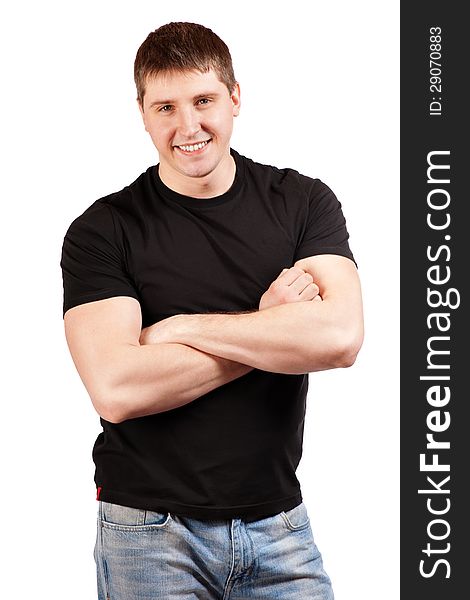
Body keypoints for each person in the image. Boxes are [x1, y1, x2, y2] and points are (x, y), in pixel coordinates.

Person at [61, 21, 363, 600]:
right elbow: (118, 389)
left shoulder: (302, 203)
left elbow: (341, 338)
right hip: (149, 530)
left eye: (203, 101)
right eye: (165, 107)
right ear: (143, 114)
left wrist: (182, 329)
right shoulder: (104, 231)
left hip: (279, 523)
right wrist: (273, 328)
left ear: (235, 97)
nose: (187, 126)